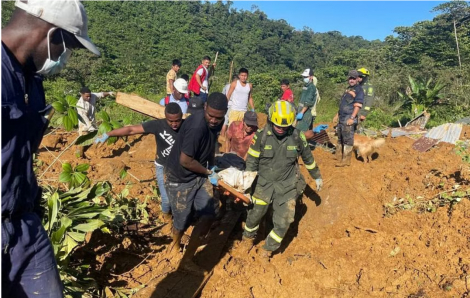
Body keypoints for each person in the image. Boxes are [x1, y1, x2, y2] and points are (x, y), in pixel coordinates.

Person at [2, 0, 99, 297]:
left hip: (24, 222)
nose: (64, 57)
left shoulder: (33, 83)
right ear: (52, 35)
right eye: (66, 47)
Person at [238, 100, 323, 259]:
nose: (281, 129)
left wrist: (317, 176)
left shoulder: (297, 136)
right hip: (263, 184)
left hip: (287, 185)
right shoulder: (261, 136)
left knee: (284, 220)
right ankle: (247, 240)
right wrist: (247, 185)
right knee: (254, 215)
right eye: (278, 126)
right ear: (270, 120)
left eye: (285, 127)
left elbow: (308, 159)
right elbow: (251, 162)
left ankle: (267, 249)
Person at [165, 92, 228, 271]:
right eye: (211, 115)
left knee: (208, 215)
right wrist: (209, 172)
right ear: (205, 107)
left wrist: (213, 164)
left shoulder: (218, 121)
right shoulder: (196, 126)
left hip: (199, 173)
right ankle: (175, 244)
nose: (214, 121)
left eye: (219, 117)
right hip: (180, 177)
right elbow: (185, 160)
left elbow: (212, 142)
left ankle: (187, 259)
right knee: (182, 221)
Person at [95, 103, 183, 223]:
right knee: (166, 199)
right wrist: (108, 134)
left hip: (181, 167)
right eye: (170, 121)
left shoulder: (187, 126)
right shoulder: (158, 125)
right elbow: (131, 130)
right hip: (162, 166)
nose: (174, 124)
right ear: (165, 117)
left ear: (182, 116)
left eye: (177, 121)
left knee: (182, 197)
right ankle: (167, 218)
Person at [332, 70, 364, 167]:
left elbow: (358, 105)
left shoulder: (359, 90)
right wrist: (336, 115)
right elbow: (343, 104)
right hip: (342, 116)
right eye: (350, 78)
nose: (351, 80)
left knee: (348, 139)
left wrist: (352, 118)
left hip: (349, 117)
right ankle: (338, 156)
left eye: (353, 78)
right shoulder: (348, 89)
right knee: (340, 137)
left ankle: (346, 161)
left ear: (357, 79)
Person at [76, 87, 114, 158]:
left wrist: (109, 93)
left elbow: (101, 94)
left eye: (89, 96)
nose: (89, 98)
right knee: (83, 140)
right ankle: (79, 156)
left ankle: (91, 154)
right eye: (86, 96)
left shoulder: (92, 96)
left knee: (93, 139)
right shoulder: (80, 105)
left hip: (93, 122)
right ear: (81, 95)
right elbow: (84, 117)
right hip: (84, 125)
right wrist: (90, 127)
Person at [220, 74, 239, 139]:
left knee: (225, 121)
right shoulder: (236, 87)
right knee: (231, 122)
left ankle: (222, 135)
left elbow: (222, 95)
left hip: (226, 104)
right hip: (233, 106)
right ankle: (229, 138)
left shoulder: (226, 86)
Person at [356, 67, 375, 133]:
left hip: (361, 111)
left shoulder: (369, 87)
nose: (357, 78)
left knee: (357, 128)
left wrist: (364, 113)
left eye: (359, 76)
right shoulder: (357, 86)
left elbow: (369, 101)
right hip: (354, 110)